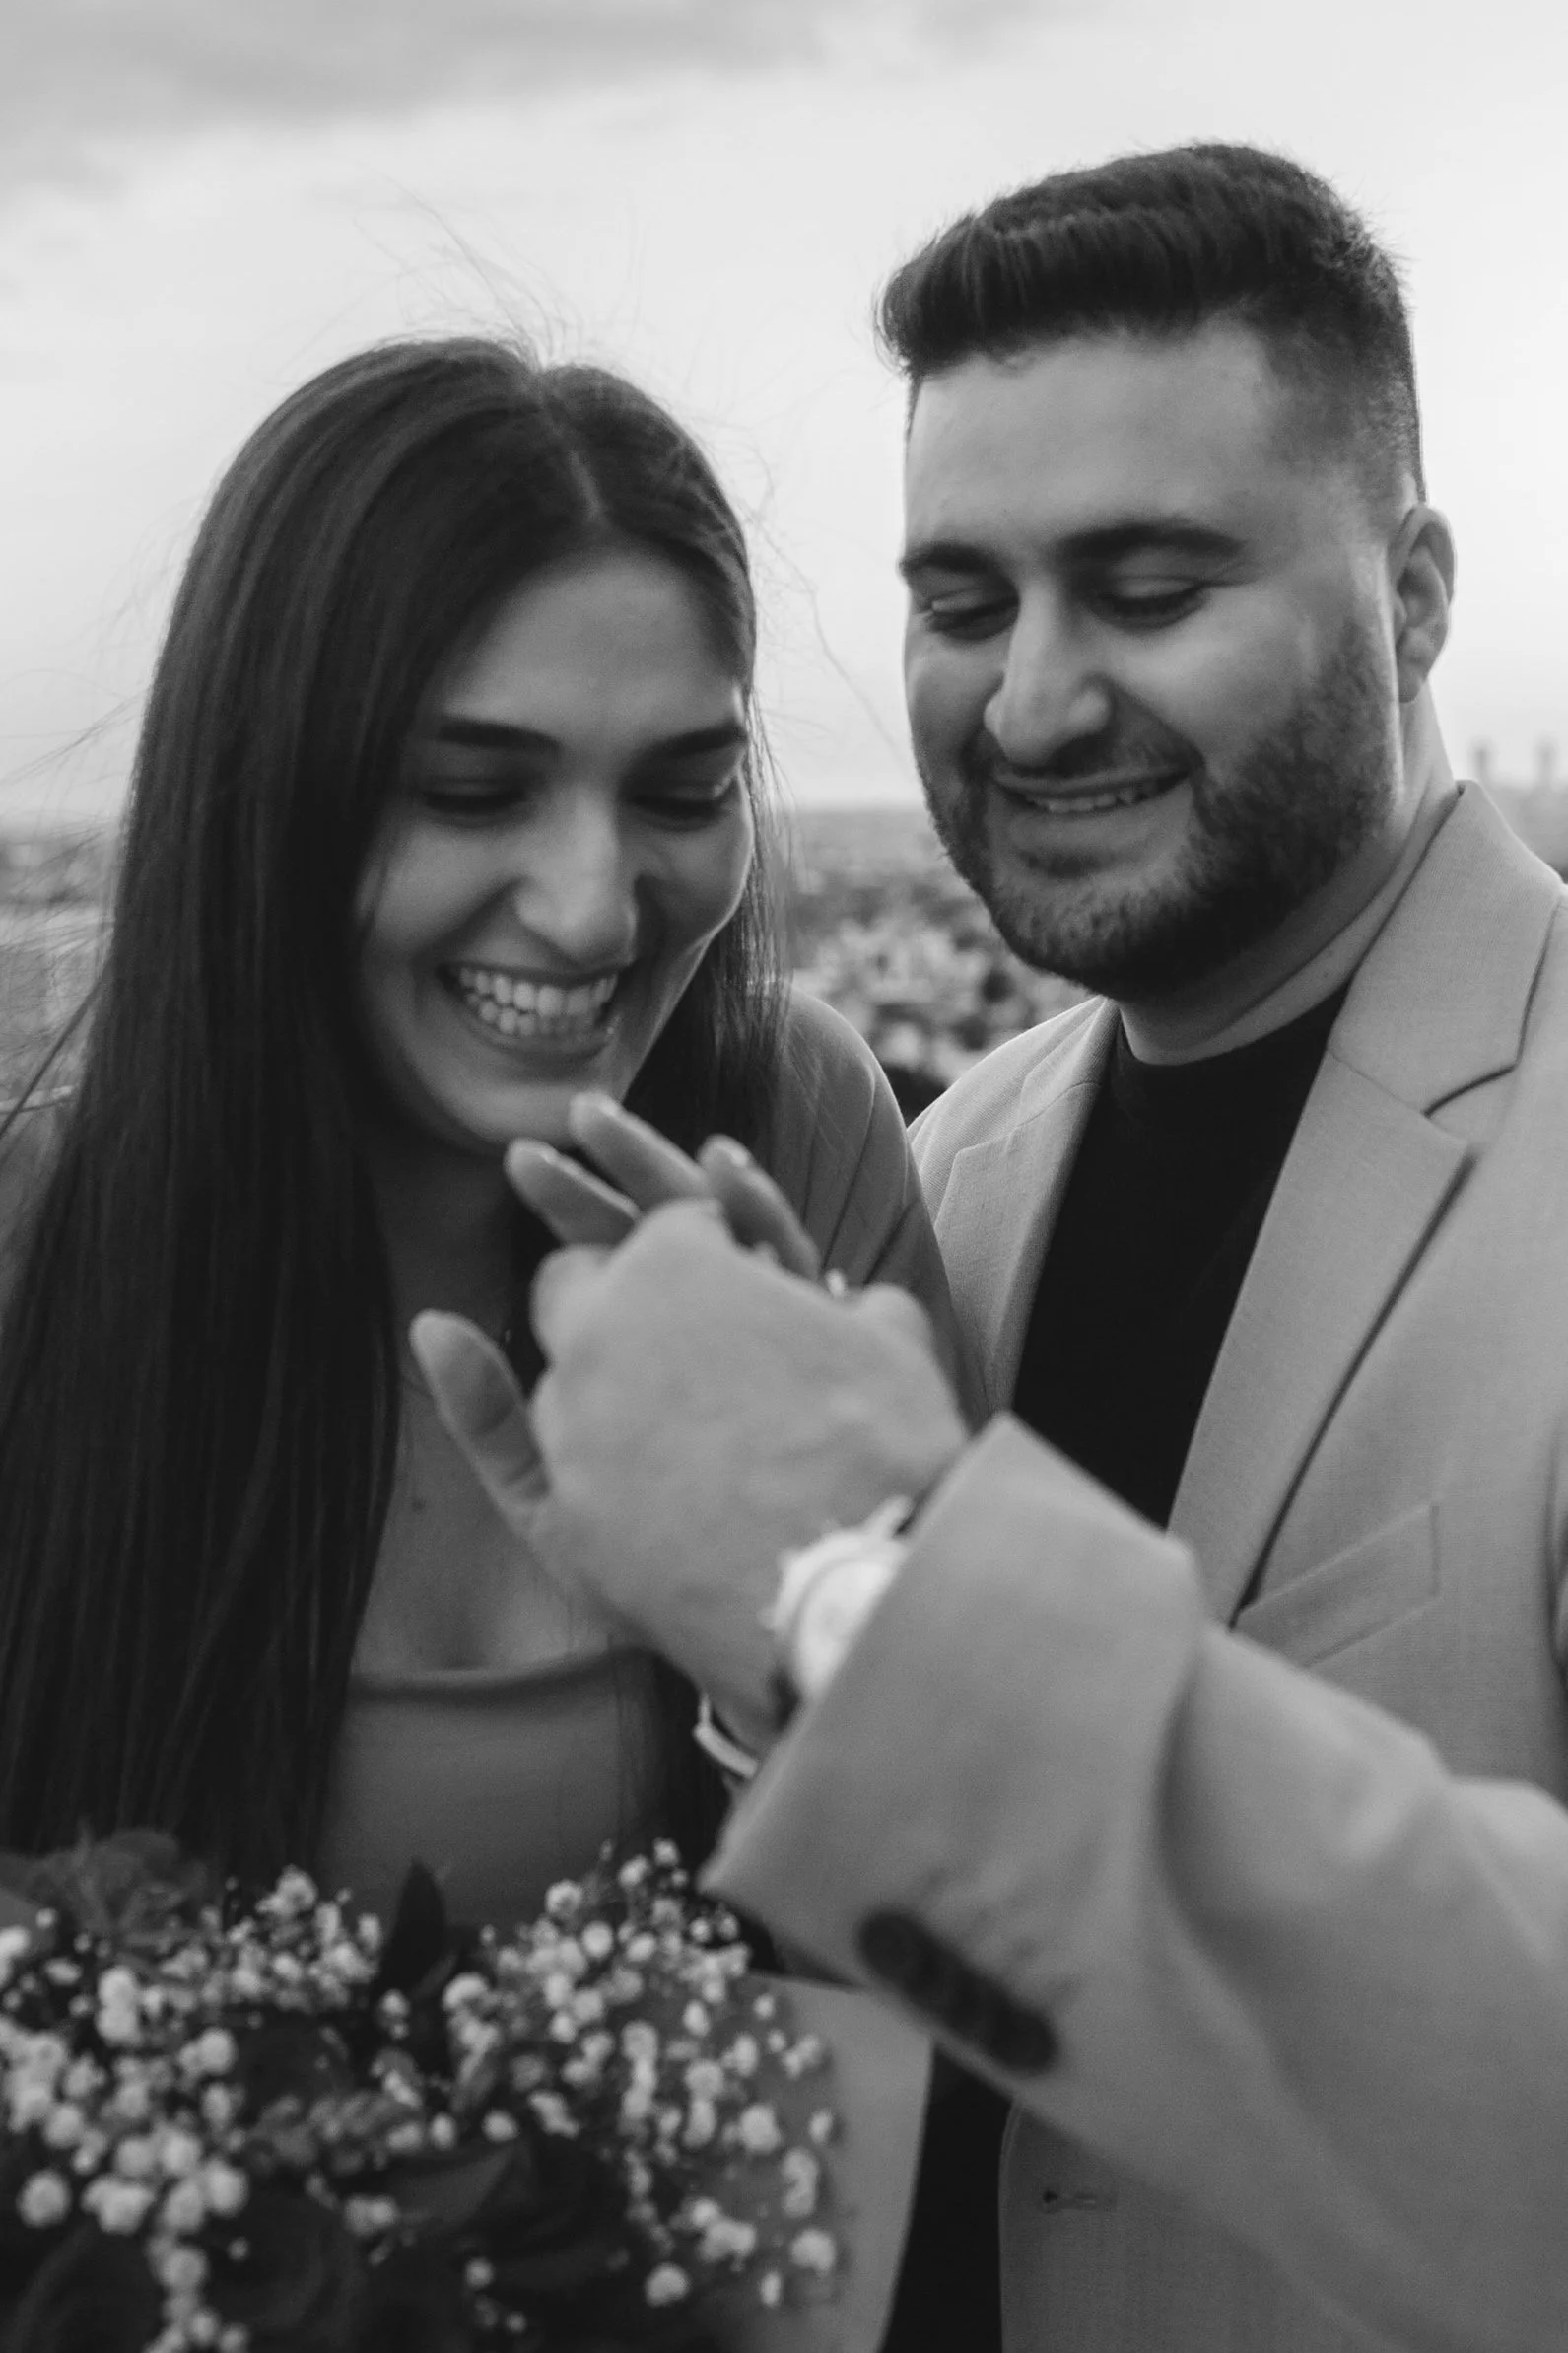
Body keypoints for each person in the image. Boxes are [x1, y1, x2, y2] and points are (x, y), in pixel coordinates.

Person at [418, 147, 1568, 2351]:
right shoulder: (956, 1168)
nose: (1032, 701)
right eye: (962, 602)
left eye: (1145, 587)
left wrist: (873, 1587)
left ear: (1415, 597)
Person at [0, 335, 958, 1939]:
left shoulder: (789, 1127)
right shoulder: (37, 1246)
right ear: (261, 800)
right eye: (468, 790)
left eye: (682, 791)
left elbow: (973, 1913)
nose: (592, 910)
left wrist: (821, 1624)